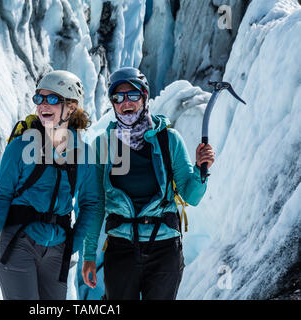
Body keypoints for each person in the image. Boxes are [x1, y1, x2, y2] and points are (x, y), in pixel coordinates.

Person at [81, 67, 215, 300]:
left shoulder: (169, 140)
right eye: (118, 97)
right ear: (113, 103)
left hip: (164, 249)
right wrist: (89, 255)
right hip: (121, 248)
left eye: (132, 95)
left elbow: (191, 196)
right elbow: (96, 204)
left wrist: (200, 170)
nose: (126, 103)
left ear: (144, 96)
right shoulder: (103, 145)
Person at [0, 70, 102, 300]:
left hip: (58, 249)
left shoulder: (84, 155)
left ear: (71, 107)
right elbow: (2, 195)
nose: (43, 105)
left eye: (52, 99)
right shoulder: (20, 148)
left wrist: (75, 243)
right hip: (18, 243)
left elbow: (90, 203)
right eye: (39, 98)